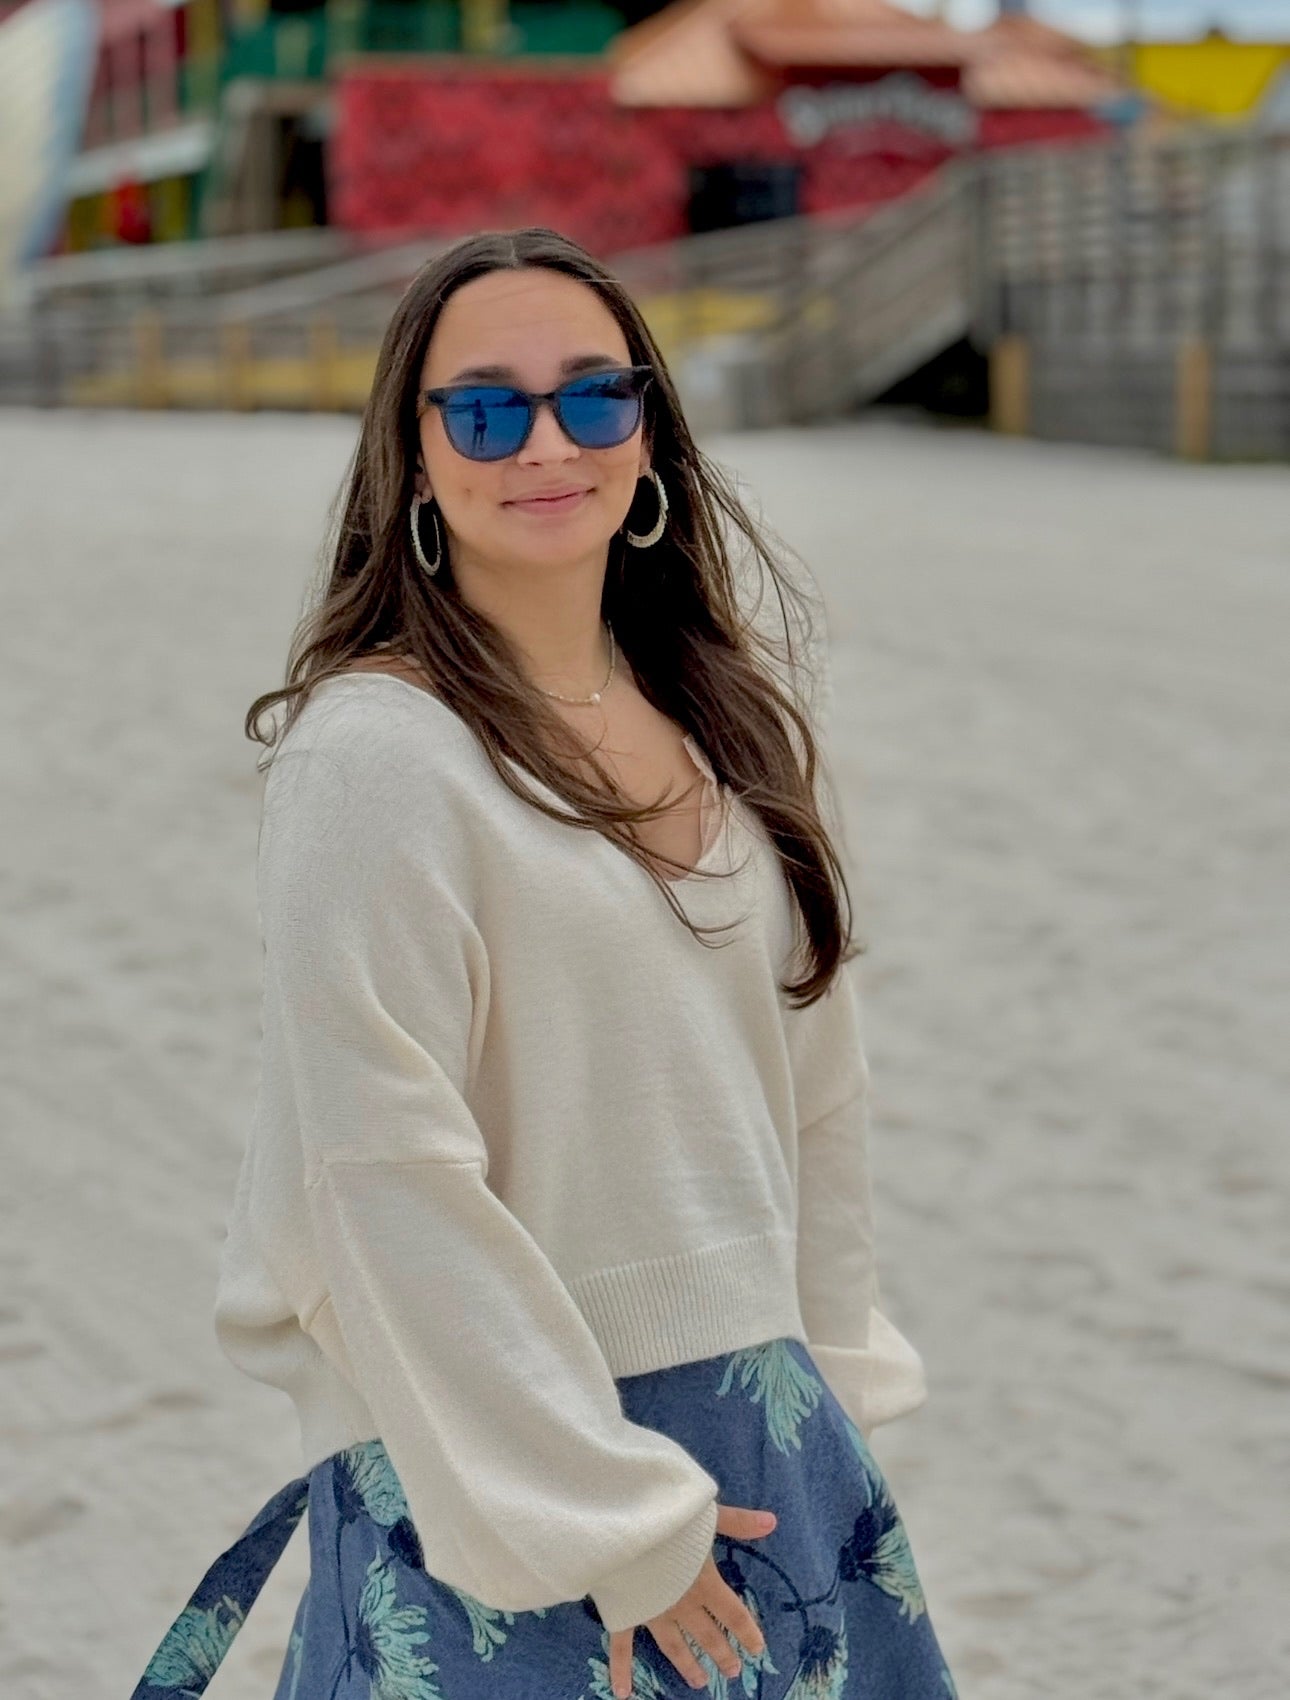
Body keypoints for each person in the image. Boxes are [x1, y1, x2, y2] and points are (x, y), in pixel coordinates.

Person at [128, 225, 958, 1700]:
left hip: (766, 1445)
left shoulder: (723, 725)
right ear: (415, 454)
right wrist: (606, 1516)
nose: (544, 442)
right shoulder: (378, 753)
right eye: (485, 407)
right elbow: (386, 1176)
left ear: (647, 431)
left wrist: (833, 1405)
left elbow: (813, 1104)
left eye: (591, 394)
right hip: (503, 1466)